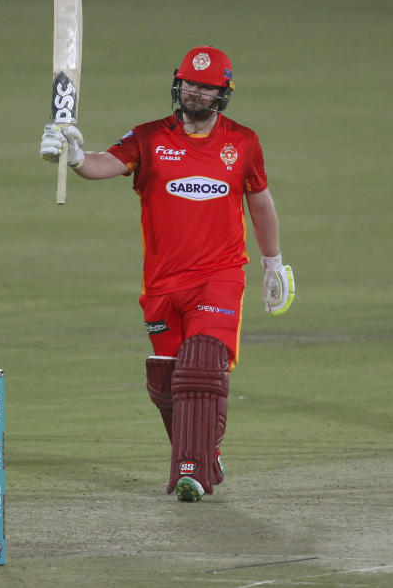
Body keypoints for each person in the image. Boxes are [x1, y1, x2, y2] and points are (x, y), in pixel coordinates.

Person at [40, 45, 295, 499]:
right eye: (190, 84)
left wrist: (273, 263)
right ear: (178, 86)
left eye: (207, 87)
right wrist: (76, 157)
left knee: (202, 365)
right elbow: (106, 164)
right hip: (161, 284)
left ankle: (189, 472)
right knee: (168, 379)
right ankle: (203, 454)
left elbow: (260, 202)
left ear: (223, 94)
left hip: (219, 274)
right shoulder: (150, 137)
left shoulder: (243, 143)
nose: (195, 93)